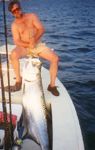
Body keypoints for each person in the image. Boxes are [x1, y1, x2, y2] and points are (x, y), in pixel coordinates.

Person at [5, 0, 59, 96]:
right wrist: (28, 45)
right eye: (14, 11)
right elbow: (17, 41)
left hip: (37, 45)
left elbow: (41, 29)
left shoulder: (32, 16)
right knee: (13, 55)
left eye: (18, 8)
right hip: (24, 47)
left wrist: (34, 40)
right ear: (12, 13)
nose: (17, 11)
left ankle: (52, 86)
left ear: (20, 8)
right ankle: (18, 82)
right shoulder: (14, 25)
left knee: (55, 59)